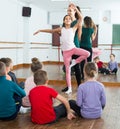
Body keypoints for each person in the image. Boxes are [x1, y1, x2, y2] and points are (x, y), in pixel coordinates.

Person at [33, 4, 90, 94]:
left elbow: (81, 19)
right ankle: (69, 88)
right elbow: (51, 31)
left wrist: (75, 9)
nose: (67, 19)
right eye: (66, 18)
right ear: (64, 20)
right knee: (67, 70)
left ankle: (76, 66)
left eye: (69, 18)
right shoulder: (62, 28)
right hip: (66, 51)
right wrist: (40, 30)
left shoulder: (74, 27)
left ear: (71, 20)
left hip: (74, 47)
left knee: (87, 54)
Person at [61, 4, 82, 92]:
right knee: (67, 68)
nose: (69, 12)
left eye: (70, 10)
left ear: (75, 11)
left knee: (77, 67)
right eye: (68, 10)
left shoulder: (77, 22)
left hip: (74, 46)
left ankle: (80, 86)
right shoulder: (65, 22)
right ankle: (68, 86)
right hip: (66, 48)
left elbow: (79, 36)